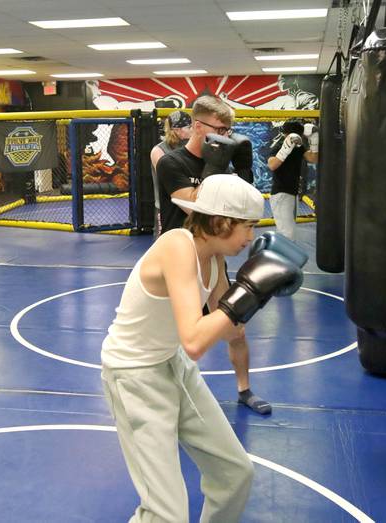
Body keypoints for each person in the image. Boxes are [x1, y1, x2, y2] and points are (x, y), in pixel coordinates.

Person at [101, 174, 303, 522]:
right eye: (248, 226)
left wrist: (256, 291)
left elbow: (230, 330)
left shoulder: (214, 258)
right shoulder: (177, 246)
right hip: (133, 375)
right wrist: (249, 292)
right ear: (222, 221)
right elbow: (195, 340)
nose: (250, 237)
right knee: (167, 514)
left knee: (235, 474)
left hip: (173, 365)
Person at [156, 94, 272, 415]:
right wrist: (215, 165)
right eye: (220, 129)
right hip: (179, 258)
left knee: (236, 327)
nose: (226, 136)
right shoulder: (171, 162)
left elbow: (239, 205)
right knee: (178, 338)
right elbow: (192, 202)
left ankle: (244, 389)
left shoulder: (224, 164)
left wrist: (245, 171)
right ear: (197, 126)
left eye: (229, 130)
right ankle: (171, 399)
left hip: (213, 259)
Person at [267, 120, 318, 241]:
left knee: (288, 232)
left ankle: (283, 257)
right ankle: (282, 259)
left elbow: (313, 159)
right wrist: (285, 149)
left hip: (292, 193)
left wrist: (315, 141)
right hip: (281, 193)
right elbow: (272, 165)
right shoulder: (280, 144)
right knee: (286, 233)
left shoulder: (298, 146)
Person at [150, 110, 192, 237]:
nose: (192, 130)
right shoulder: (159, 150)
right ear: (177, 130)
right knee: (166, 243)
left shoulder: (191, 147)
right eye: (189, 127)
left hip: (188, 202)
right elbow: (169, 178)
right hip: (167, 206)